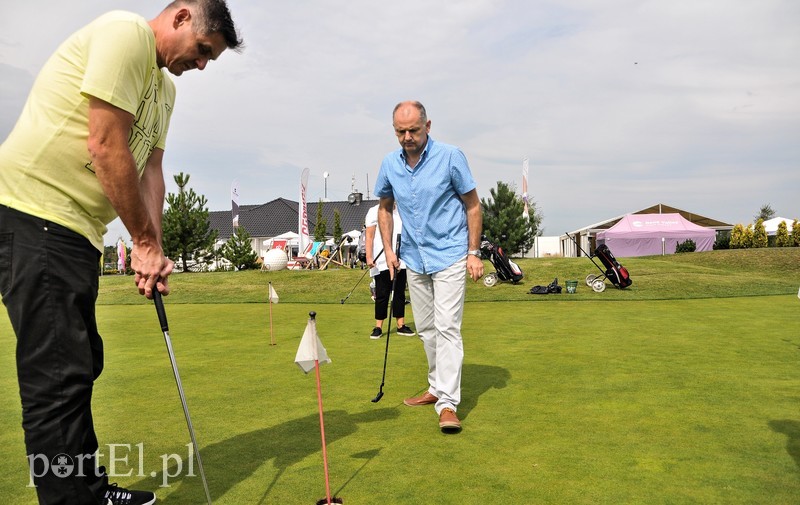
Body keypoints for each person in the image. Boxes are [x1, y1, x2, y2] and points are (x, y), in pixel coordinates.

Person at [0, 1, 243, 504]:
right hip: (34, 214)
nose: (200, 66)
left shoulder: (165, 89)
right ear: (179, 17)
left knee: (81, 363)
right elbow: (105, 144)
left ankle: (87, 489)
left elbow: (150, 169)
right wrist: (143, 242)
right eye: (201, 51)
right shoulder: (125, 32)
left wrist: (153, 248)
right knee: (57, 380)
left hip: (75, 230)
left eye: (209, 61)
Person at [374, 101, 483, 433]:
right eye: (400, 131)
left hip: (450, 253)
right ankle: (436, 386)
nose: (407, 137)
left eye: (413, 130)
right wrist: (389, 250)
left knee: (448, 326)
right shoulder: (390, 163)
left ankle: (447, 403)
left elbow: (473, 205)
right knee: (426, 328)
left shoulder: (451, 157)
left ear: (428, 126)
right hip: (414, 258)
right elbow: (384, 207)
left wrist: (474, 251)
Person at [364, 203, 415, 339]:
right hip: (381, 260)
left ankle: (400, 325)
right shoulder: (374, 211)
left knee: (399, 293)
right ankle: (378, 327)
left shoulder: (402, 210)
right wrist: (369, 256)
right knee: (382, 294)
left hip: (401, 258)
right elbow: (369, 236)